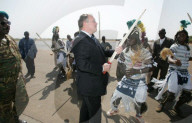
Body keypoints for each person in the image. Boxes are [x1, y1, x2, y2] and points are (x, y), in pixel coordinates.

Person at [71, 14, 122, 123]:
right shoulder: (80, 40)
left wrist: (116, 52)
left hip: (92, 84)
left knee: (85, 110)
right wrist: (101, 68)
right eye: (93, 21)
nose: (96, 23)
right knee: (95, 115)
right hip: (90, 86)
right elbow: (82, 64)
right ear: (85, 23)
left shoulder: (92, 38)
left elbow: (102, 52)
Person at [107, 20, 152, 122]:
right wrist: (125, 70)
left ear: (137, 39)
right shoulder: (125, 52)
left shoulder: (144, 52)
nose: (128, 39)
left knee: (140, 101)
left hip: (139, 82)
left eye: (131, 37)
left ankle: (138, 115)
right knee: (116, 95)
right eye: (127, 37)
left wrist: (136, 71)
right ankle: (115, 109)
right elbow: (121, 63)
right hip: (126, 80)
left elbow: (150, 67)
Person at [155, 29, 192, 118]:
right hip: (174, 72)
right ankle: (162, 104)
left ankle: (176, 107)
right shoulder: (174, 46)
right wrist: (174, 61)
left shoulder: (188, 48)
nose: (180, 36)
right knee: (171, 93)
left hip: (185, 73)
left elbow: (188, 58)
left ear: (186, 37)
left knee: (187, 94)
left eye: (182, 35)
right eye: (178, 35)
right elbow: (168, 58)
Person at [0, 11, 28, 123]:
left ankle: (15, 119)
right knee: (4, 111)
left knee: (19, 103)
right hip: (2, 89)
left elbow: (17, 58)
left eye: (8, 23)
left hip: (15, 84)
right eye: (3, 23)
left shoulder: (10, 39)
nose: (7, 25)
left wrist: (21, 75)